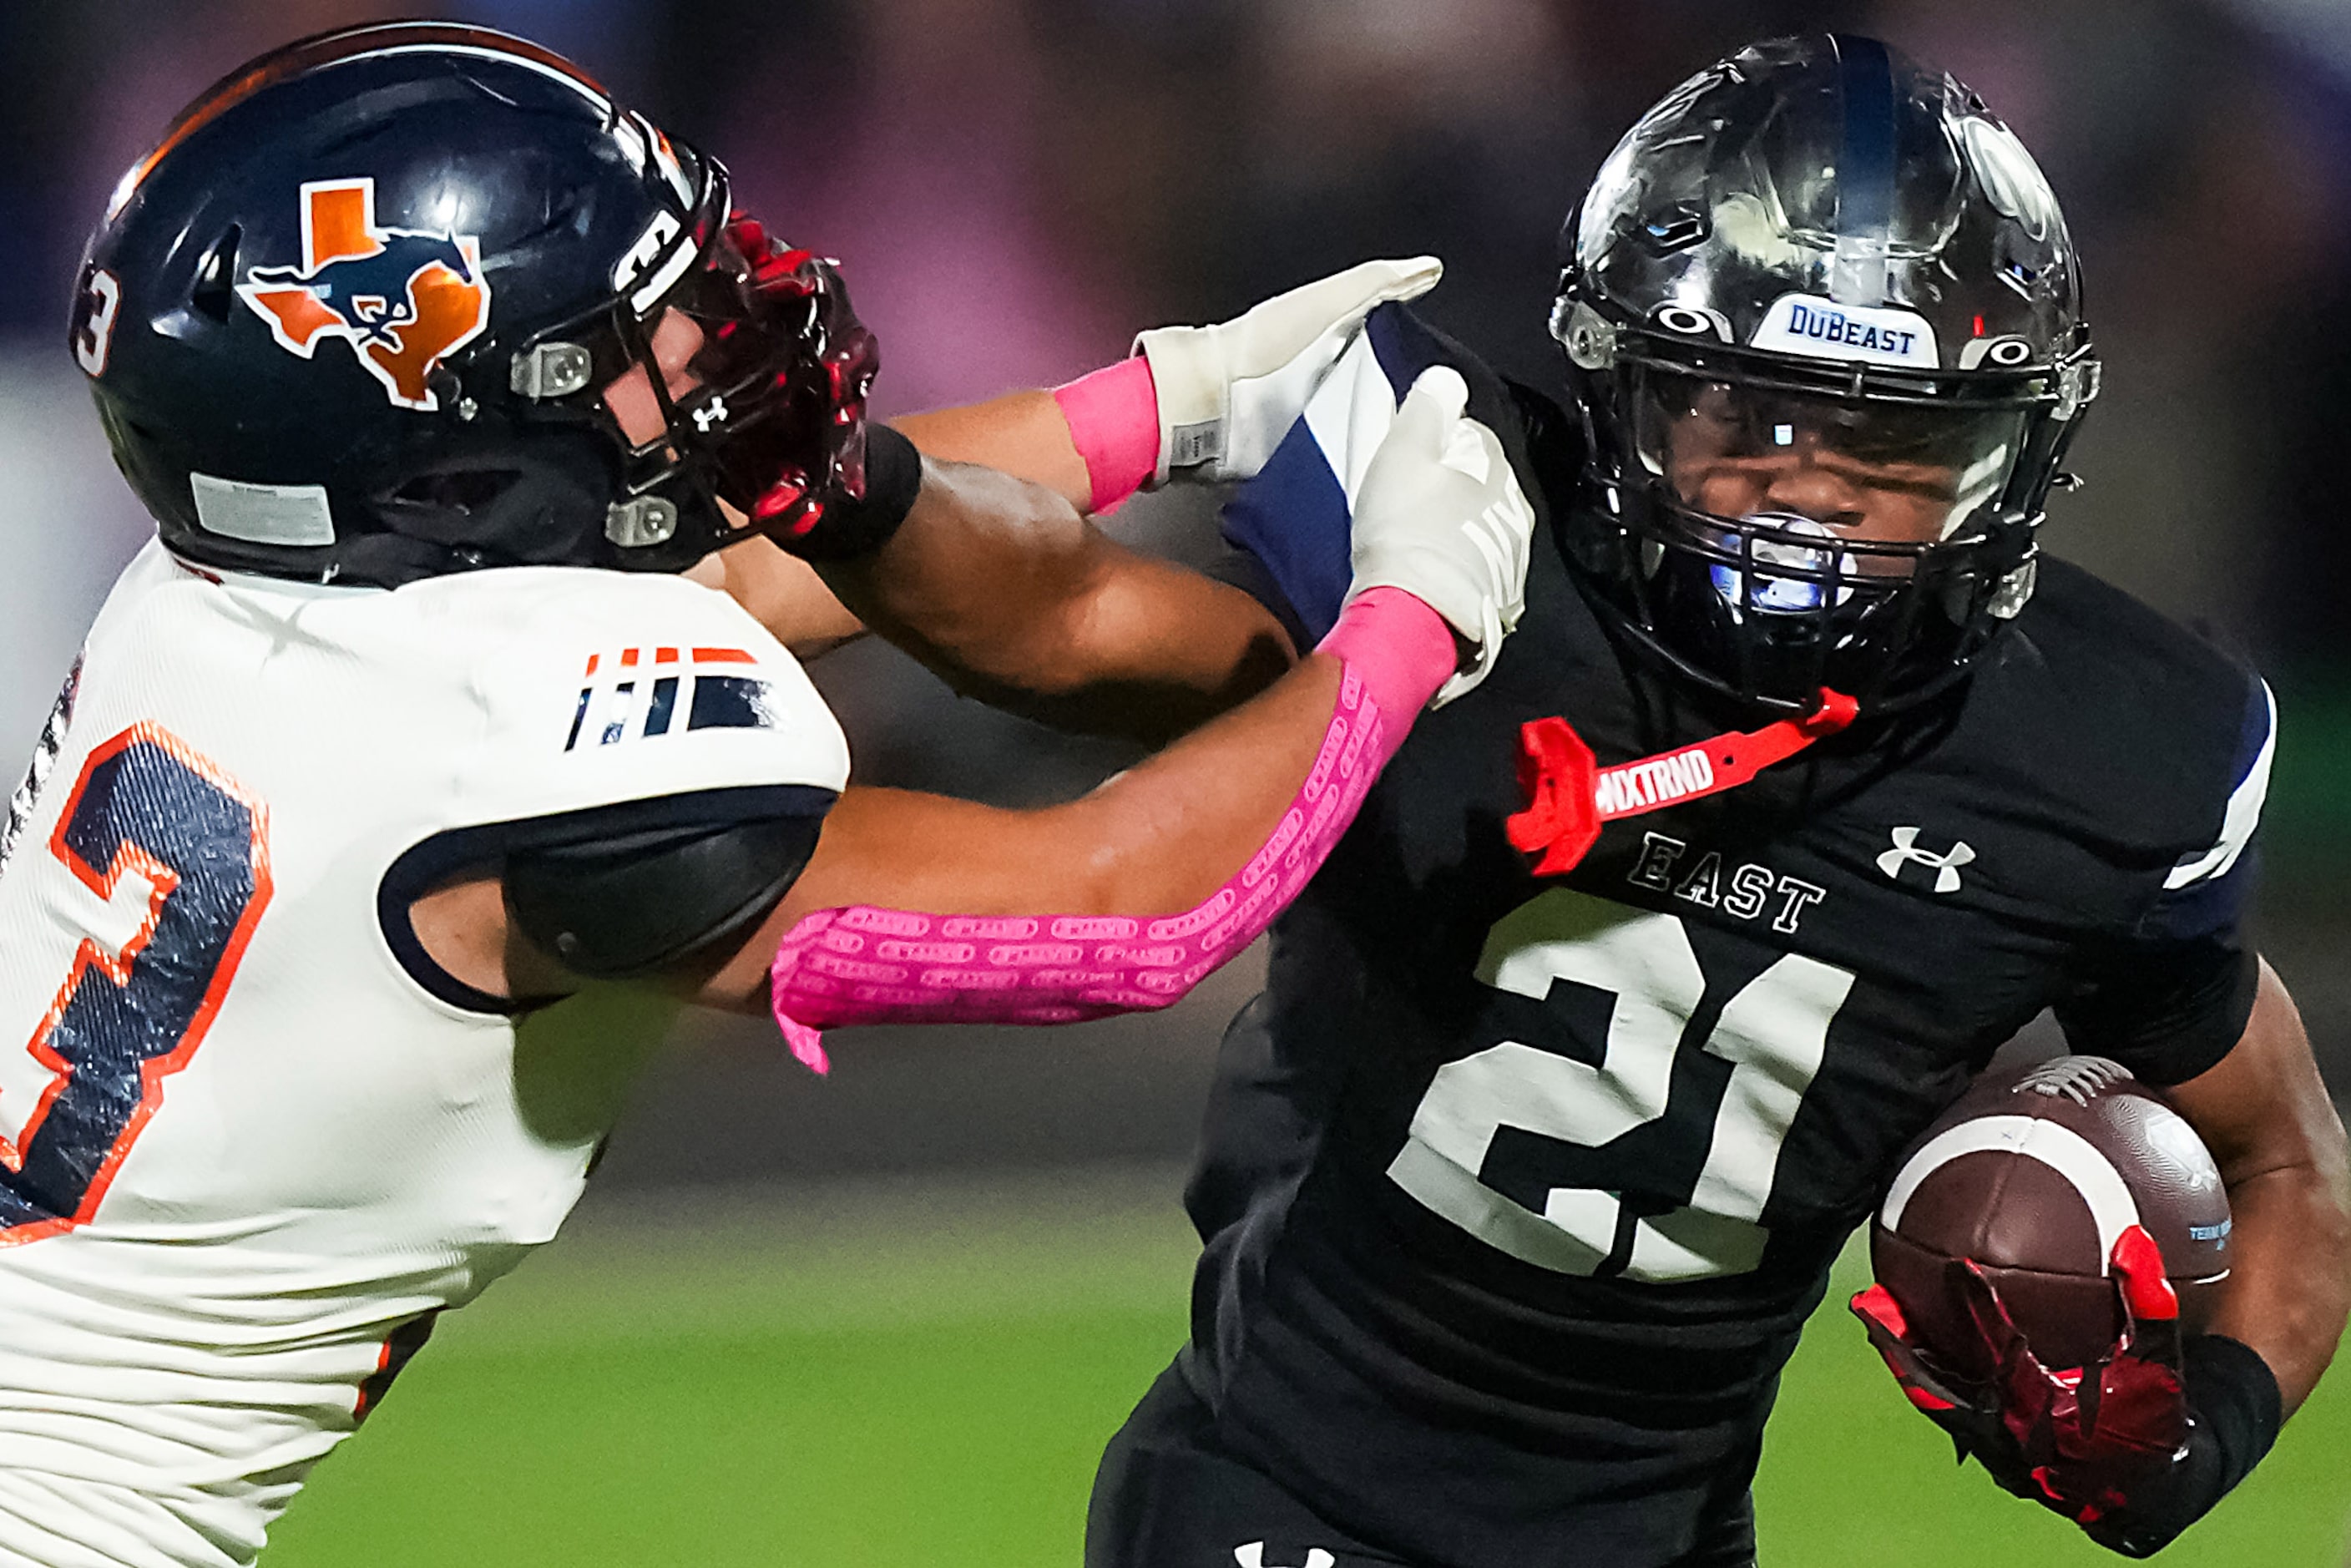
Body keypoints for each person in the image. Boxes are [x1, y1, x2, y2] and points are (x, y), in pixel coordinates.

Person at [0, 23, 1538, 1567]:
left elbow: (750, 542)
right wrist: (1409, 619)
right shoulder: (517, 732)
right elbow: (1119, 909)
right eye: (626, 331)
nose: (698, 341)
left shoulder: (249, 581)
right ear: (449, 451)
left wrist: (1166, 404)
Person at [1029, 35, 2344, 1568]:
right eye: (1758, 420)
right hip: (1286, 1489)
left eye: (1897, 442)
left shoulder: (2110, 756)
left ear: (2008, 456)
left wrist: (2196, 1443)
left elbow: (2290, 1159)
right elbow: (1048, 609)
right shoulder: (1468, 523)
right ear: (1631, 388)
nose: (1818, 495)